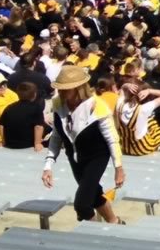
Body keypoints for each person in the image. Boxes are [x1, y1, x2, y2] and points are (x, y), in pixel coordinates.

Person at [41, 63, 125, 225]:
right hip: (75, 157)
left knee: (82, 204)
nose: (64, 92)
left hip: (97, 156)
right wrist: (48, 166)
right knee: (93, 194)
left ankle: (94, 235)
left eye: (68, 89)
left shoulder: (97, 106)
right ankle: (114, 222)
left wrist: (118, 168)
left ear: (79, 88)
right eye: (62, 89)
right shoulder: (58, 104)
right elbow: (57, 137)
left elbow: (112, 138)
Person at [0, 82, 49, 153]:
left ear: (18, 94)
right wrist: (37, 143)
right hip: (27, 144)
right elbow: (38, 127)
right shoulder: (36, 108)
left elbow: (1, 125)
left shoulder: (9, 107)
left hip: (10, 143)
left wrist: (3, 141)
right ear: (34, 95)